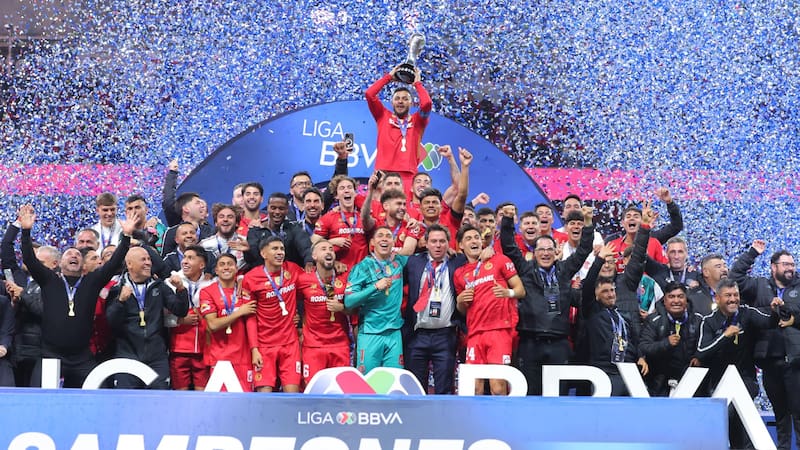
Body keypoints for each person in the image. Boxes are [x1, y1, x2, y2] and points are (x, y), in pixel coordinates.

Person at [19, 204, 134, 388]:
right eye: (68, 254)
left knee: (98, 398)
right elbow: (29, 259)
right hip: (50, 355)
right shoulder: (50, 280)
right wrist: (25, 231)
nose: (74, 255)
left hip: (82, 358)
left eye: (77, 255)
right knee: (39, 401)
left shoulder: (92, 281)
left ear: (83, 265)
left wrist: (126, 237)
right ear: (59, 263)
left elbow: (113, 264)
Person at [500, 204, 594, 395]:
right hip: (530, 342)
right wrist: (508, 220)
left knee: (557, 394)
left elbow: (584, 249)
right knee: (530, 393)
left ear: (556, 252)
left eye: (549, 250)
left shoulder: (564, 270)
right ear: (534, 253)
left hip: (559, 342)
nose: (545, 253)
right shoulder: (526, 270)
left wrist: (589, 223)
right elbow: (509, 247)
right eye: (541, 250)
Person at [696, 278, 792, 449]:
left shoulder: (746, 313)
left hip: (746, 379)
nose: (733, 299)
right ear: (717, 299)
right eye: (728, 295)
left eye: (736, 295)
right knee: (732, 419)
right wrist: (724, 337)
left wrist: (775, 311)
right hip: (718, 383)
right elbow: (701, 352)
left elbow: (768, 322)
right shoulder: (709, 321)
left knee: (737, 412)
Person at [729, 241, 800, 449]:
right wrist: (751, 254)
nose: (790, 268)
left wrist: (786, 308)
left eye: (792, 264)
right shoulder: (760, 285)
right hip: (769, 360)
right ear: (773, 266)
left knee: (798, 413)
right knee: (780, 414)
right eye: (785, 264)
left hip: (795, 360)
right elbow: (734, 280)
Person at [455, 224, 525, 395]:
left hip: (499, 330)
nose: (474, 241)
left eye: (476, 237)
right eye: (468, 238)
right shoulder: (459, 273)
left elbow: (520, 291)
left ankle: (501, 421)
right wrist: (459, 301)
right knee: (474, 388)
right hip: (474, 334)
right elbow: (464, 310)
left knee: (497, 386)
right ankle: (473, 421)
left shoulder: (499, 260)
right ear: (461, 246)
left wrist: (507, 292)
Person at [106, 247, 190, 389]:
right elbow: (111, 323)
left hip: (156, 357)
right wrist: (120, 301)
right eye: (143, 259)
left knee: (160, 402)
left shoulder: (159, 286)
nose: (148, 263)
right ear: (130, 264)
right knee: (127, 403)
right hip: (127, 356)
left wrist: (181, 290)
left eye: (149, 259)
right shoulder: (117, 289)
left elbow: (180, 311)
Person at [403, 224, 466, 394]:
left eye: (442, 241)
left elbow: (478, 256)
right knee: (415, 389)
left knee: (444, 388)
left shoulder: (458, 261)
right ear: (426, 243)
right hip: (417, 335)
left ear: (449, 243)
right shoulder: (413, 262)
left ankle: (443, 420)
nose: (438, 245)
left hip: (445, 336)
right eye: (434, 241)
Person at [242, 236, 304, 392]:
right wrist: (254, 349)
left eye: (282, 249)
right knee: (264, 398)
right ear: (263, 253)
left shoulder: (294, 270)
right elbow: (250, 317)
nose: (280, 252)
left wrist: (301, 318)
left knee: (292, 396)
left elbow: (311, 288)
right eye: (275, 249)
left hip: (290, 344)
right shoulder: (251, 278)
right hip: (264, 345)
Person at [345, 226, 408, 374]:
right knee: (367, 384)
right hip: (370, 333)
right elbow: (349, 301)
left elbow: (422, 257)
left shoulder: (399, 262)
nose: (384, 238)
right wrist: (374, 287)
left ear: (393, 242)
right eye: (380, 236)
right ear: (372, 242)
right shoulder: (362, 268)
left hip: (394, 333)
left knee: (393, 381)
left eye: (388, 236)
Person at [365, 64, 432, 191]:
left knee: (404, 210)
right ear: (392, 102)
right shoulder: (382, 115)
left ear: (411, 103)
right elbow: (370, 94)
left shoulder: (418, 120)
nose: (400, 101)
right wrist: (389, 77)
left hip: (408, 176)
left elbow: (427, 103)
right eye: (397, 99)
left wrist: (417, 84)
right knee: (381, 210)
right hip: (383, 174)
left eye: (405, 99)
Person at [579, 275, 648, 396]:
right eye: (605, 291)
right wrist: (599, 260)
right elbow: (588, 286)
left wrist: (640, 356)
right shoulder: (592, 312)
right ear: (596, 295)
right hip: (605, 372)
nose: (611, 294)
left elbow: (634, 339)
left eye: (612, 290)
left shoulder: (622, 316)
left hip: (628, 371)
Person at [296, 240, 351, 384]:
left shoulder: (344, 277)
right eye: (323, 249)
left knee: (341, 391)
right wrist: (296, 322)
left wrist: (342, 308)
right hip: (313, 346)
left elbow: (356, 309)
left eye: (331, 249)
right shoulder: (303, 280)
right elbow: (290, 299)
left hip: (340, 344)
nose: (328, 251)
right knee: (313, 391)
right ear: (314, 256)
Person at [199, 253, 257, 392]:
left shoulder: (245, 292)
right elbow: (212, 325)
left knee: (244, 402)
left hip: (243, 358)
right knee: (220, 404)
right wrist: (239, 312)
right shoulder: (207, 292)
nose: (226, 267)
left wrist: (255, 349)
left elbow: (251, 322)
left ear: (236, 268)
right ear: (216, 270)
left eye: (230, 264)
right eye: (222, 264)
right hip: (219, 358)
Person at [638, 282, 703, 396]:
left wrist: (698, 356)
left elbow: (704, 344)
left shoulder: (698, 320)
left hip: (690, 380)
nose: (676, 301)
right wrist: (666, 343)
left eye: (680, 296)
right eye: (671, 297)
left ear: (686, 299)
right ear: (664, 300)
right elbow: (644, 346)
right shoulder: (654, 320)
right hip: (659, 380)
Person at [165, 245, 213, 390]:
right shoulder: (170, 283)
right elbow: (160, 316)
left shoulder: (212, 283)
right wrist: (179, 320)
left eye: (190, 258)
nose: (185, 261)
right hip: (179, 349)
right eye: (184, 257)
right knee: (180, 396)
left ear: (202, 264)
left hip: (204, 349)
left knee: (203, 395)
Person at [607, 187, 683, 270]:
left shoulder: (654, 240)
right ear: (622, 223)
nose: (632, 218)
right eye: (628, 216)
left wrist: (670, 203)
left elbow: (676, 226)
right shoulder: (612, 243)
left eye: (636, 216)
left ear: (642, 221)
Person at [245, 192, 313, 270]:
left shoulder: (294, 228)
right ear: (268, 208)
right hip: (264, 276)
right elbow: (252, 260)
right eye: (273, 208)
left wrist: (309, 261)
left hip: (291, 274)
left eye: (281, 208)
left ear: (287, 210)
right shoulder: (256, 231)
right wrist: (247, 251)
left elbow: (306, 247)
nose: (277, 212)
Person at [313, 176, 369, 270]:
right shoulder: (327, 218)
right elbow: (313, 245)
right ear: (336, 195)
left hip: (363, 272)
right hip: (340, 271)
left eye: (349, 187)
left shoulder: (364, 217)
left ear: (355, 193)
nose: (346, 190)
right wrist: (332, 242)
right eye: (342, 188)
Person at [199, 203, 249, 272]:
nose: (225, 219)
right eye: (221, 216)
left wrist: (249, 252)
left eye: (230, 217)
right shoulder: (204, 245)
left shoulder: (246, 242)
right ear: (216, 222)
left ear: (237, 223)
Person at [161, 192, 213, 257]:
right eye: (197, 203)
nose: (202, 206)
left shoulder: (211, 231)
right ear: (186, 209)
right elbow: (165, 260)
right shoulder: (172, 232)